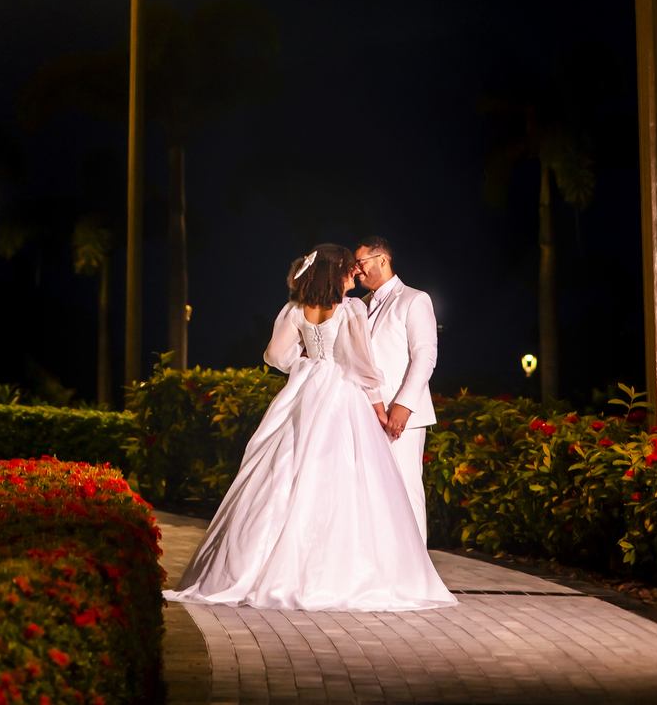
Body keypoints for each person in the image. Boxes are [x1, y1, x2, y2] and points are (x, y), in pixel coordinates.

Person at [163, 244, 455, 612]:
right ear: (337, 274)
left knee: (290, 474)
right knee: (351, 485)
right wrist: (379, 410)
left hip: (306, 394)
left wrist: (306, 363)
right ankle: (356, 572)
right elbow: (363, 368)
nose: (356, 274)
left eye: (359, 266)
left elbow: (275, 355)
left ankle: (273, 568)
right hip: (345, 398)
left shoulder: (296, 310)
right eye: (351, 269)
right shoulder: (352, 309)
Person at [352, 237, 438, 542]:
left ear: (382, 260)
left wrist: (404, 404)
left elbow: (425, 356)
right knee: (370, 493)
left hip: (402, 416)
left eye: (361, 263)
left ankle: (418, 574)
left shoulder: (414, 299)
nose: (357, 271)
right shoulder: (359, 306)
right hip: (365, 413)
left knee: (406, 490)